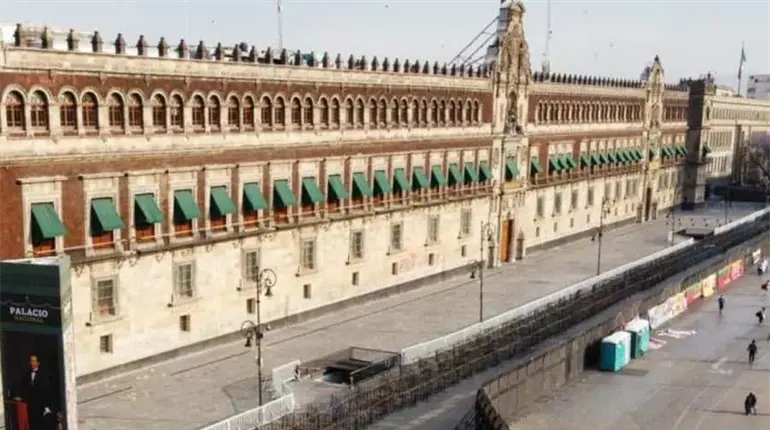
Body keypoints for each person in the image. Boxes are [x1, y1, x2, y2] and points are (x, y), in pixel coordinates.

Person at [14, 354, 54, 430]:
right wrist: (20, 397)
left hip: (42, 406)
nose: (31, 363)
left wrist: (47, 406)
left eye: (33, 361)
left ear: (38, 363)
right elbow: (24, 389)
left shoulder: (43, 374)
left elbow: (46, 390)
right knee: (33, 425)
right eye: (30, 361)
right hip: (31, 406)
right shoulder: (27, 375)